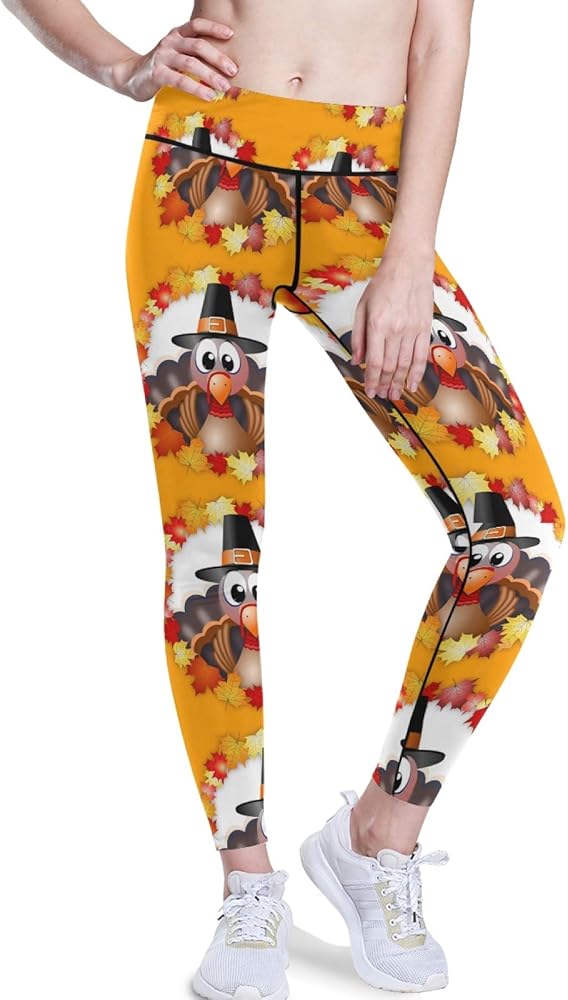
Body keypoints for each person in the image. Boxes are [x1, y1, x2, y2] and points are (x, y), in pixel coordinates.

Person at [3, 1, 565, 996]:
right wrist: (122, 67)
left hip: (369, 188)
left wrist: (409, 255)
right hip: (204, 170)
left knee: (514, 532)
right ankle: (247, 881)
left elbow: (440, 37)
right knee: (213, 549)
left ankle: (377, 836)